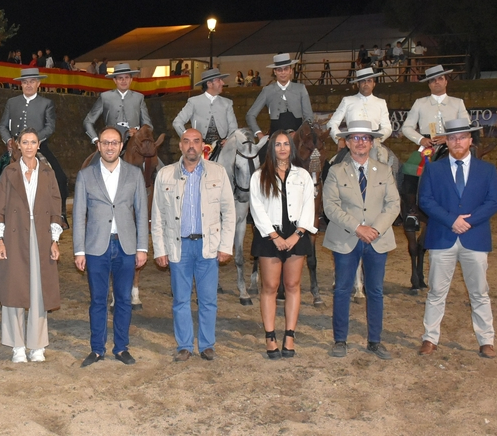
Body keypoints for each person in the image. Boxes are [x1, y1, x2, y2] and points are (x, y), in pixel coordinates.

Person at [417, 119, 497, 359]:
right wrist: (452, 220)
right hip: (443, 235)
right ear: (447, 141)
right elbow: (426, 201)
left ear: (470, 141)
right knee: (436, 292)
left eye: (462, 137)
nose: (457, 142)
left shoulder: (487, 170)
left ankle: (486, 340)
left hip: (474, 238)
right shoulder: (434, 169)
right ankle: (430, 337)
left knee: (479, 292)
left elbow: (494, 201)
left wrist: (469, 221)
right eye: (452, 138)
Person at [152, 128, 235, 362]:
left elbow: (229, 211)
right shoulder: (165, 175)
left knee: (208, 300)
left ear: (203, 147)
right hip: (179, 246)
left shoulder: (218, 173)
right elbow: (157, 215)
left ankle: (207, 344)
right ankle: (185, 345)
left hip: (207, 246)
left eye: (196, 141)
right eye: (186, 141)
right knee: (180, 299)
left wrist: (226, 245)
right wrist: (160, 249)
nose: (191, 146)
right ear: (180, 146)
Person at [323, 121, 400, 360]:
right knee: (343, 289)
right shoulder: (335, 171)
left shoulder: (384, 170)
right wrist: (358, 228)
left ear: (372, 142)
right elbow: (330, 207)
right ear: (346, 143)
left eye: (365, 138)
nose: (360, 142)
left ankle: (375, 341)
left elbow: (393, 204)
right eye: (355, 138)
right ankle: (340, 340)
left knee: (375, 290)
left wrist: (374, 229)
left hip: (377, 239)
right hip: (346, 238)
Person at [73, 127, 148, 367]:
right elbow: (78, 214)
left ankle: (121, 347)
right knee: (97, 300)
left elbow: (141, 212)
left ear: (121, 146)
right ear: (98, 146)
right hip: (96, 247)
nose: (110, 147)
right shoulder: (85, 176)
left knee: (124, 300)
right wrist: (79, 250)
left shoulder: (135, 174)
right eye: (105, 143)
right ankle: (97, 349)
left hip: (125, 246)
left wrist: (142, 247)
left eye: (114, 143)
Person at [0, 128, 63, 362]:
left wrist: (55, 240)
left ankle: (37, 344)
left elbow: (56, 207)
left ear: (39, 145)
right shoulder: (8, 172)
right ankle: (17, 346)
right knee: (14, 289)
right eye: (25, 142)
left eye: (33, 142)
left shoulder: (47, 173)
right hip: (14, 236)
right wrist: (0, 240)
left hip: (41, 236)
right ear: (18, 146)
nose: (30, 146)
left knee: (38, 290)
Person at [249, 131, 318, 359]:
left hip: (296, 234)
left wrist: (298, 234)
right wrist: (274, 236)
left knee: (292, 285)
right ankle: (270, 336)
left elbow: (310, 205)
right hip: (270, 234)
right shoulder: (259, 176)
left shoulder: (303, 176)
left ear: (292, 147)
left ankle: (289, 334)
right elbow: (256, 207)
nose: (282, 148)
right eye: (277, 144)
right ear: (271, 148)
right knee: (269, 286)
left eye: (285, 144)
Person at [399, 65, 468, 230]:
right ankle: (411, 212)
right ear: (429, 84)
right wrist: (421, 139)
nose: (436, 82)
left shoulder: (458, 103)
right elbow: (406, 127)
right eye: (432, 80)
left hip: (452, 143)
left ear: (446, 81)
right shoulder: (420, 103)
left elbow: (466, 125)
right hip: (427, 145)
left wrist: (449, 138)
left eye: (440, 79)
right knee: (409, 168)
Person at [0, 67, 69, 226]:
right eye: (25, 82)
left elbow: (50, 127)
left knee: (60, 177)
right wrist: (9, 140)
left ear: (38, 83)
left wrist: (35, 141)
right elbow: (2, 126)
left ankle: (60, 214)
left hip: (39, 146)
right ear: (21, 84)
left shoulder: (46, 103)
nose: (28, 85)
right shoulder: (12, 102)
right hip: (15, 147)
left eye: (32, 82)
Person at [326, 67, 391, 164]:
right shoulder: (347, 101)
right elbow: (332, 123)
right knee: (334, 167)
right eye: (363, 81)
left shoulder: (381, 103)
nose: (366, 84)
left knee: (387, 165)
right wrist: (339, 139)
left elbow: (387, 127)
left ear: (374, 84)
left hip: (373, 141)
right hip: (352, 141)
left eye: (369, 81)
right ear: (358, 84)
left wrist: (376, 139)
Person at [171, 68, 238, 162]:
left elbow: (233, 127)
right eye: (219, 80)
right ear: (209, 84)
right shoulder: (193, 102)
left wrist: (228, 140)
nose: (222, 83)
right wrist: (189, 139)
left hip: (222, 148)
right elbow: (177, 122)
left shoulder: (227, 103)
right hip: (200, 149)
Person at [246, 53, 314, 142]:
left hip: (298, 138)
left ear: (291, 70)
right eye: (279, 70)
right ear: (275, 72)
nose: (283, 73)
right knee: (262, 154)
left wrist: (298, 133)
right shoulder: (267, 90)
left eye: (286, 69)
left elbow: (309, 116)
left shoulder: (301, 89)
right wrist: (259, 134)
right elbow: (250, 115)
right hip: (275, 138)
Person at [83, 63, 153, 144]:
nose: (124, 81)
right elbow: (88, 121)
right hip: (110, 141)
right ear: (115, 80)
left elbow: (148, 126)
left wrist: (138, 132)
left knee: (153, 156)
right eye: (120, 78)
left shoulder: (139, 97)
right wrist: (96, 140)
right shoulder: (105, 97)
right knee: (96, 157)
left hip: (135, 141)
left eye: (126, 77)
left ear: (131, 79)